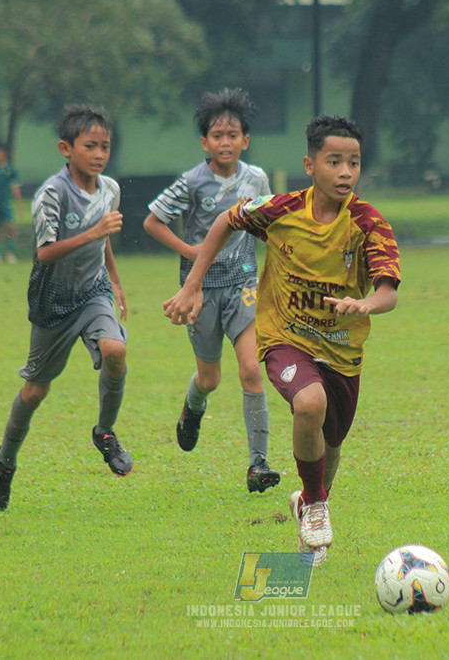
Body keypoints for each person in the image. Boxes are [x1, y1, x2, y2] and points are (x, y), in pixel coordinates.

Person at [163, 115, 401, 565]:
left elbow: (388, 291)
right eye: (335, 161)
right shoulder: (281, 209)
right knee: (309, 404)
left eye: (353, 162)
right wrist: (193, 283)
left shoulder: (369, 224)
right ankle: (314, 507)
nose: (346, 171)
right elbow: (224, 222)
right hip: (282, 337)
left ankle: (309, 502)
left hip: (343, 352)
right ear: (310, 165)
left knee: (331, 447)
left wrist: (366, 304)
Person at [0, 104, 133, 511]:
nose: (100, 154)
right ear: (66, 148)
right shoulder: (51, 194)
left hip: (93, 291)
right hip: (52, 302)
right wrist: (95, 232)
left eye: (105, 146)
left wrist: (116, 281)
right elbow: (45, 253)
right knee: (35, 391)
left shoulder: (110, 189)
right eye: (90, 146)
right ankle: (5, 462)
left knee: (115, 351)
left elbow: (102, 243)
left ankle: (104, 432)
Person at [143, 88, 280, 494]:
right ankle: (193, 407)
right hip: (199, 290)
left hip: (243, 286)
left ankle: (258, 464)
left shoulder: (256, 179)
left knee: (252, 368)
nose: (225, 142)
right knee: (210, 377)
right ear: (204, 142)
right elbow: (153, 221)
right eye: (217, 135)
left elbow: (268, 224)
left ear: (246, 140)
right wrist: (189, 251)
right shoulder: (191, 182)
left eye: (233, 135)